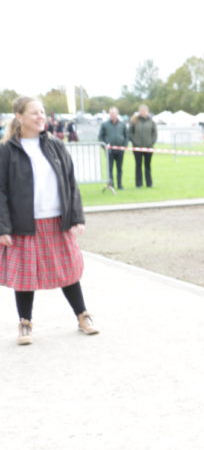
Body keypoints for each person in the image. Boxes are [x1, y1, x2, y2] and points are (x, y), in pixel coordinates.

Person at [0, 97, 98, 345]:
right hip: (24, 224)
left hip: (56, 221)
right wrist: (3, 227)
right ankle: (25, 323)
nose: (40, 117)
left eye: (42, 112)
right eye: (34, 113)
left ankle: (82, 315)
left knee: (68, 270)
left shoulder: (55, 145)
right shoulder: (7, 151)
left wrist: (76, 216)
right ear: (19, 116)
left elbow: (70, 182)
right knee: (25, 276)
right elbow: (0, 191)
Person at [98, 107, 128, 189]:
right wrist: (104, 146)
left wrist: (124, 146)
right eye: (111, 113)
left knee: (119, 168)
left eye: (114, 113)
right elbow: (101, 137)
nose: (112, 115)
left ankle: (120, 184)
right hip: (109, 151)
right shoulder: (104, 124)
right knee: (110, 168)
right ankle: (111, 184)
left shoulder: (122, 124)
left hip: (120, 150)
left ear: (117, 114)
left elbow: (126, 136)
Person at [129, 104, 158, 188]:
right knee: (138, 165)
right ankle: (139, 184)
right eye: (141, 111)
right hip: (137, 147)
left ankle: (149, 183)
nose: (143, 112)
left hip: (148, 147)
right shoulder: (134, 121)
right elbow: (130, 133)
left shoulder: (151, 122)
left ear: (147, 112)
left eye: (144, 111)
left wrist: (151, 143)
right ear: (139, 112)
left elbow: (154, 133)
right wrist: (135, 142)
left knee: (147, 165)